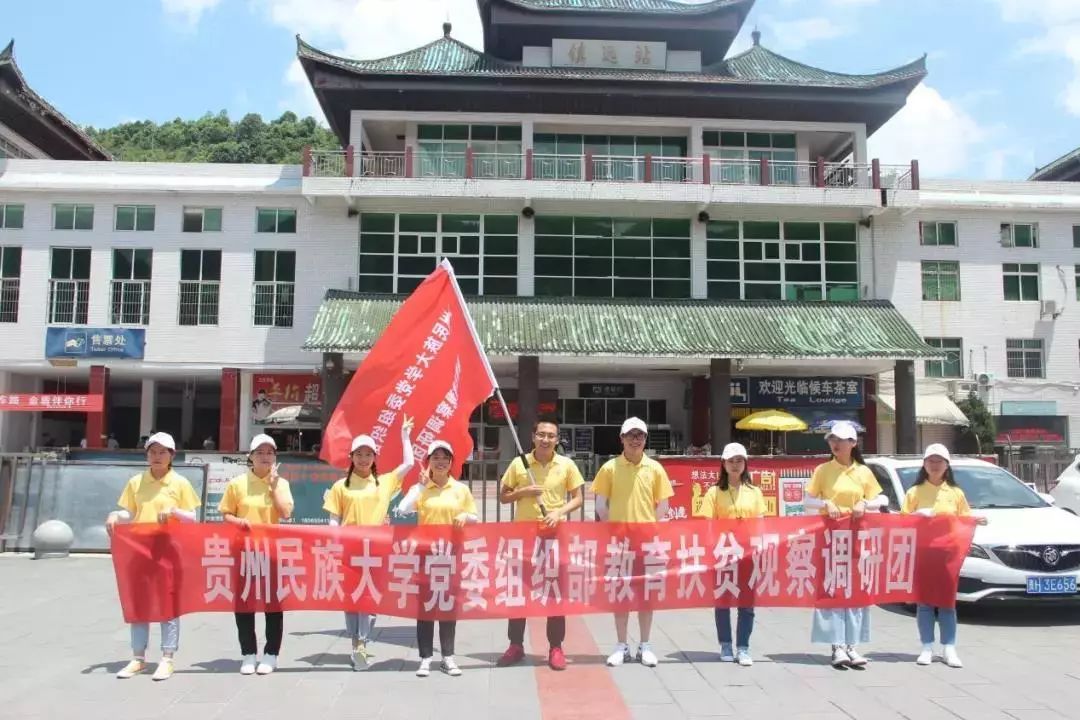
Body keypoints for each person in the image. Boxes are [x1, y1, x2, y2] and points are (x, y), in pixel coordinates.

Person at [105, 432, 201, 682]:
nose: (157, 457)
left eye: (162, 452)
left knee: (167, 606)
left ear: (172, 456)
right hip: (140, 550)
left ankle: (167, 657)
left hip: (168, 551)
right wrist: (116, 515)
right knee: (139, 604)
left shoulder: (179, 483)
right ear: (146, 454)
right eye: (153, 452)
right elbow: (130, 513)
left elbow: (193, 517)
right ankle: (138, 657)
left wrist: (174, 511)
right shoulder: (137, 482)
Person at [323, 418, 415, 670]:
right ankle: (356, 643)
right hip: (349, 551)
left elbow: (409, 464)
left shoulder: (383, 482)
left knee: (370, 597)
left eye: (368, 454)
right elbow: (333, 519)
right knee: (352, 598)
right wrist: (337, 542)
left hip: (375, 550)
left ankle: (362, 642)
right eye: (359, 454)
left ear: (375, 457)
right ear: (351, 457)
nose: (363, 458)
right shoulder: (341, 486)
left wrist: (405, 435)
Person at [496, 417, 585, 671]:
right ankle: (515, 645)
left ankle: (555, 647)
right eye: (541, 434)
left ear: (557, 439)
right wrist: (522, 493)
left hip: (554, 536)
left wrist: (558, 512)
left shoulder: (566, 465)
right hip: (523, 538)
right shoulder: (519, 463)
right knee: (518, 592)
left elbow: (578, 497)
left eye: (551, 435)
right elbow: (504, 496)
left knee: (554, 592)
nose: (546, 439)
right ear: (533, 437)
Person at [803, 420, 888, 669]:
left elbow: (881, 497)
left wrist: (866, 504)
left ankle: (853, 645)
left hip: (858, 539)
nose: (835, 444)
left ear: (853, 443)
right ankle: (836, 646)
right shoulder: (823, 470)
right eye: (832, 439)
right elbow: (808, 500)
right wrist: (824, 504)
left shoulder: (863, 471)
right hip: (831, 539)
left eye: (840, 440)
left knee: (855, 590)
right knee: (833, 589)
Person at [591, 417, 674, 668]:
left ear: (645, 439)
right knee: (621, 593)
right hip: (619, 543)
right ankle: (620, 645)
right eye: (630, 435)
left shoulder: (655, 468)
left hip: (647, 542)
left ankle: (645, 645)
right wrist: (618, 530)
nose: (635, 439)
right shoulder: (609, 468)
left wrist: (645, 527)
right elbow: (600, 505)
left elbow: (663, 505)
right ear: (622, 439)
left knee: (646, 594)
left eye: (640, 435)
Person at [396, 440, 479, 677]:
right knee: (426, 607)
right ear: (428, 462)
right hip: (426, 555)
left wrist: (465, 515)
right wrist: (421, 488)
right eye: (436, 458)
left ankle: (448, 657)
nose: (440, 462)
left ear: (451, 462)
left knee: (447, 606)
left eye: (445, 458)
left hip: (451, 555)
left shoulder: (460, 489)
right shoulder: (420, 488)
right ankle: (425, 658)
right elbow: (402, 509)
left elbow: (474, 516)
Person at [902, 443, 987, 669]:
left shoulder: (955, 493)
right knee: (925, 603)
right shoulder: (914, 492)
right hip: (924, 553)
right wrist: (918, 515)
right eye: (931, 460)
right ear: (924, 464)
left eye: (939, 461)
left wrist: (975, 520)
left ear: (947, 465)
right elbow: (902, 522)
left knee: (948, 603)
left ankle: (949, 647)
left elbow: (964, 519)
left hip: (949, 555)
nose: (935, 465)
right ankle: (927, 646)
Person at [219, 433, 294, 676]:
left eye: (269, 452)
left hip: (271, 553)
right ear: (250, 457)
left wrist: (272, 488)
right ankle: (248, 654)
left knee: (273, 604)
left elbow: (285, 514)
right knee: (244, 603)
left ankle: (271, 654)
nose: (265, 457)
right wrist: (237, 521)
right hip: (243, 552)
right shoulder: (237, 484)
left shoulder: (281, 483)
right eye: (259, 453)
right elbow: (226, 513)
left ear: (275, 457)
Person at [694, 442, 767, 667]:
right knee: (723, 601)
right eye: (731, 461)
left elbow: (761, 524)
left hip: (747, 555)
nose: (735, 465)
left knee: (747, 604)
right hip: (723, 553)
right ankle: (725, 644)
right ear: (723, 464)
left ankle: (743, 647)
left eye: (739, 461)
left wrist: (760, 551)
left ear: (745, 464)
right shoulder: (713, 493)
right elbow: (708, 525)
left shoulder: (755, 492)